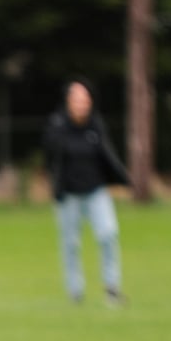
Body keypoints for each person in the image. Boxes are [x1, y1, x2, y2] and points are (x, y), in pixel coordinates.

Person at [43, 77, 130, 304]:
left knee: (108, 234)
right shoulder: (58, 126)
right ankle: (75, 292)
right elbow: (49, 158)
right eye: (76, 99)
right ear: (68, 101)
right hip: (68, 194)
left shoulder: (96, 125)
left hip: (96, 191)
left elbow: (107, 156)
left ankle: (112, 288)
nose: (81, 104)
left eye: (85, 99)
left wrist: (122, 179)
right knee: (70, 243)